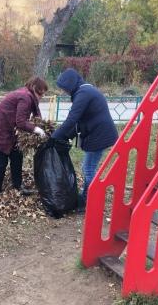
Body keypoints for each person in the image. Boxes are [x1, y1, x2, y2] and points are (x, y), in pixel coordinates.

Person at [51, 68, 118, 212]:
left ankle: (89, 199)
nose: (64, 92)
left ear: (70, 84)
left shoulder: (83, 94)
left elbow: (72, 118)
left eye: (64, 88)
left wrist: (54, 137)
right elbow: (78, 121)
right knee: (88, 167)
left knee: (88, 168)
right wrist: (64, 135)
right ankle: (89, 196)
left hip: (99, 135)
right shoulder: (84, 91)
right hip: (98, 133)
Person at [0, 76, 48, 197]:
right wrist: (36, 129)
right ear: (34, 88)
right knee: (1, 161)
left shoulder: (28, 95)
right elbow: (21, 122)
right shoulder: (25, 97)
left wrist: (41, 124)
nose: (41, 97)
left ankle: (18, 185)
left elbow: (36, 111)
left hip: (8, 132)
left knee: (17, 155)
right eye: (41, 94)